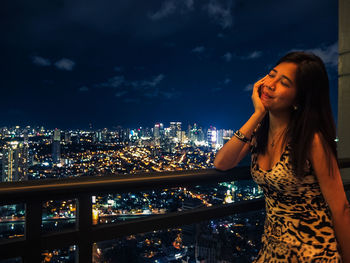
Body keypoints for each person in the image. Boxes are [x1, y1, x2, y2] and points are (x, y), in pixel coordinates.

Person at [214, 51, 350, 262]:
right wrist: (258, 113)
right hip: (272, 249)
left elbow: (341, 209)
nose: (270, 84)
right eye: (271, 74)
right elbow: (222, 163)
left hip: (314, 252)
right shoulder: (259, 131)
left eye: (284, 82)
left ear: (299, 98)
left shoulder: (311, 139)